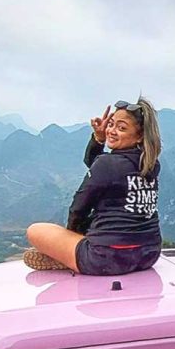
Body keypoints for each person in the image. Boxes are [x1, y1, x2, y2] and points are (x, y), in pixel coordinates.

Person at [23, 97, 162, 275]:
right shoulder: (151, 165)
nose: (112, 130)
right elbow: (99, 168)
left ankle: (70, 259)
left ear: (139, 136)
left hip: (105, 258)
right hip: (148, 255)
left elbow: (79, 207)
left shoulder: (108, 164)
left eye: (121, 128)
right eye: (111, 124)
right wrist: (98, 139)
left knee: (35, 230)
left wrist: (70, 241)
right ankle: (74, 255)